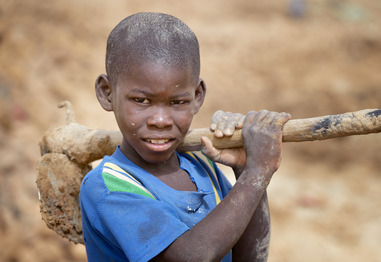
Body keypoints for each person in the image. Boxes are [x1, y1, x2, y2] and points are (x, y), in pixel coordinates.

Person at [79, 12, 291, 262]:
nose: (161, 120)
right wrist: (259, 172)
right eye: (141, 100)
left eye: (177, 102)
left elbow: (252, 257)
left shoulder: (202, 168)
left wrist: (246, 171)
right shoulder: (108, 186)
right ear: (107, 93)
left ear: (197, 96)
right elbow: (189, 257)